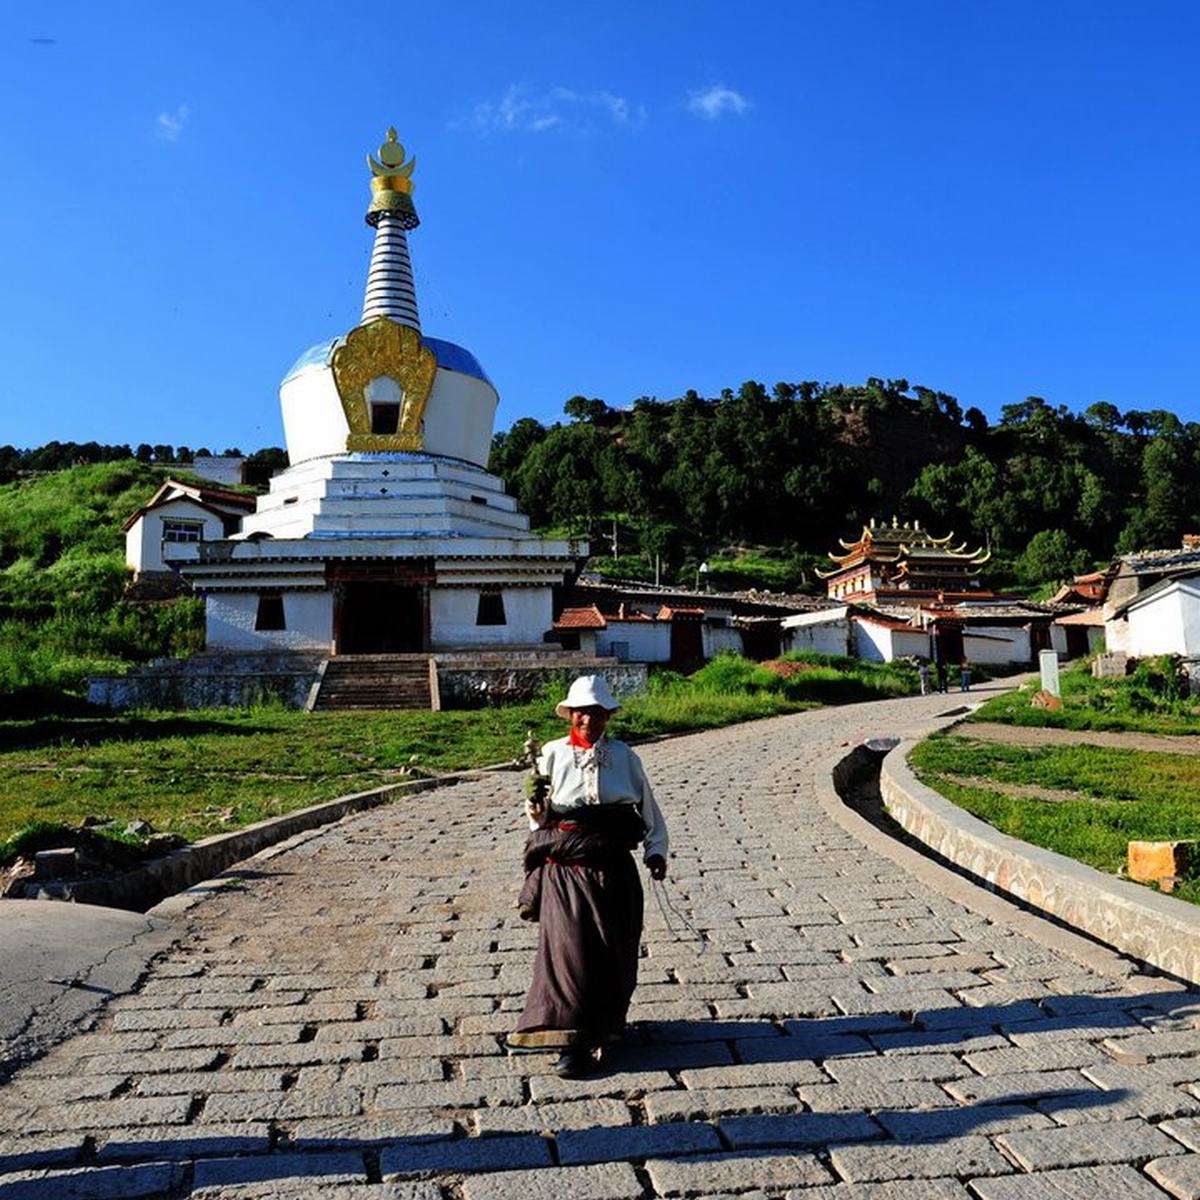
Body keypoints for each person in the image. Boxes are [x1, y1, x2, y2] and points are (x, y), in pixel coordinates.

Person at [507, 674, 668, 1078]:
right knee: (570, 953)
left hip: (614, 868)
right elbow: (540, 820)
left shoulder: (626, 758)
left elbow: (648, 810)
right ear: (570, 715)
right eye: (582, 713)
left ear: (606, 717)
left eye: (596, 714)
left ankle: (604, 1028)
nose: (588, 721)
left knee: (613, 950)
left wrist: (656, 850)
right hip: (566, 872)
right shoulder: (550, 755)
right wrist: (537, 815)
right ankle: (571, 1043)